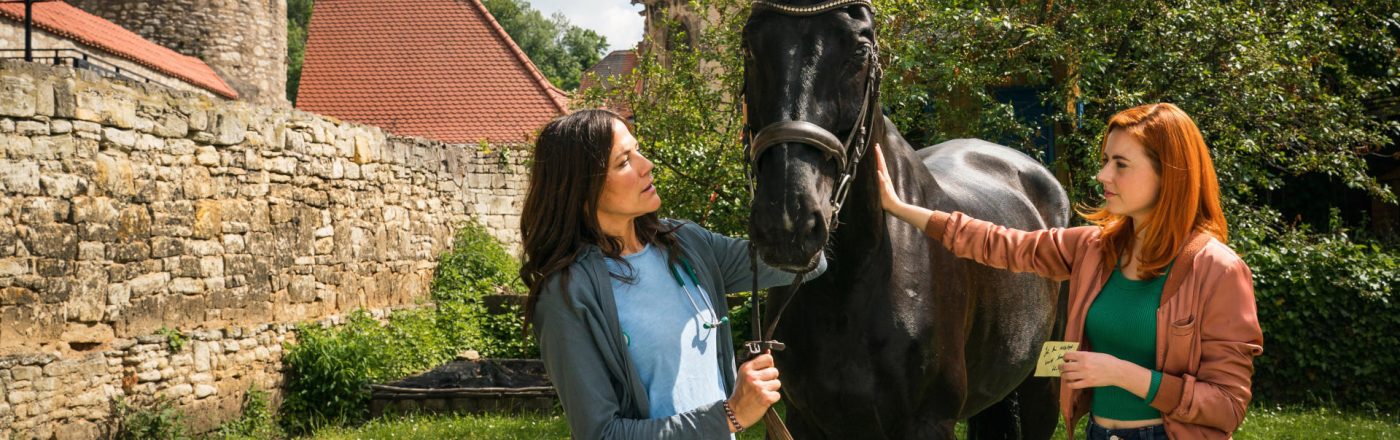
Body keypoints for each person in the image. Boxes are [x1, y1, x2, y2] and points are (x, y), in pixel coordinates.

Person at [875, 103, 1263, 440]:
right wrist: (902, 207)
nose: (1103, 176)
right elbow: (998, 243)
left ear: (1170, 176)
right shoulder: (1096, 249)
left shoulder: (1218, 270)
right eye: (1106, 160)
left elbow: (1226, 406)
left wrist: (1121, 373)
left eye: (1121, 165)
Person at [520, 109, 826, 439]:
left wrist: (805, 171)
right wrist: (731, 415)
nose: (646, 165)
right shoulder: (567, 294)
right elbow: (602, 433)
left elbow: (808, 262)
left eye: (637, 150)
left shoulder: (687, 244)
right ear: (580, 190)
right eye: (624, 162)